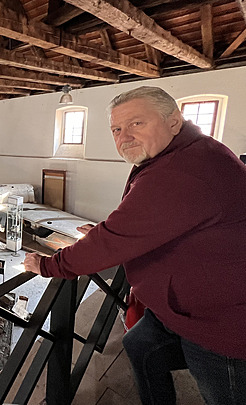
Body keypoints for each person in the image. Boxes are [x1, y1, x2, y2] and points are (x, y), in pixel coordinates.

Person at [24, 86, 246, 405]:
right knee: (140, 347)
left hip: (222, 321)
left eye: (137, 123)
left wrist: (47, 265)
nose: (124, 136)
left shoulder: (181, 170)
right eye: (117, 129)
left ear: (174, 121)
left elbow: (112, 241)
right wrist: (112, 231)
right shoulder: (187, 152)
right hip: (181, 306)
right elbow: (150, 221)